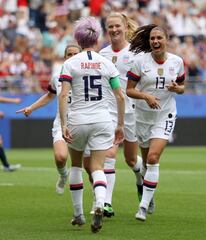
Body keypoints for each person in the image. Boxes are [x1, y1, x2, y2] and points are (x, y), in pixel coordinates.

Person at [58, 16, 125, 233]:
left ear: (78, 38)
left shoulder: (70, 63)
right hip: (103, 119)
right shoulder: (106, 63)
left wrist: (63, 124)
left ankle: (78, 215)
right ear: (97, 38)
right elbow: (120, 96)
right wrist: (120, 125)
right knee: (97, 167)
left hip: (78, 119)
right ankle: (99, 203)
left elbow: (63, 95)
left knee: (77, 165)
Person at [86, 12, 147, 218]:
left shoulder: (137, 54)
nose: (113, 30)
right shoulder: (101, 55)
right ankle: (107, 204)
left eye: (117, 26)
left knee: (131, 160)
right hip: (109, 112)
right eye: (110, 26)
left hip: (133, 112)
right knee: (109, 154)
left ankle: (141, 179)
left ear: (124, 26)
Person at [126, 24, 185, 222]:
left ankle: (142, 206)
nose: (155, 41)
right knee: (144, 164)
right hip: (142, 117)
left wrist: (178, 89)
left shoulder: (177, 62)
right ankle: (147, 191)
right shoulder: (140, 61)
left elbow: (182, 86)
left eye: (159, 38)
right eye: (152, 39)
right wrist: (145, 96)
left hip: (165, 115)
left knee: (152, 158)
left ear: (166, 40)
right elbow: (129, 90)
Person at [16, 44, 81, 195]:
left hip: (82, 122)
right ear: (65, 58)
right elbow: (50, 95)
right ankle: (64, 175)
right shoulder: (57, 77)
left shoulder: (88, 76)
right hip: (61, 123)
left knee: (89, 167)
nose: (72, 57)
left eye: (75, 54)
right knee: (60, 157)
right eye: (69, 54)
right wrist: (31, 108)